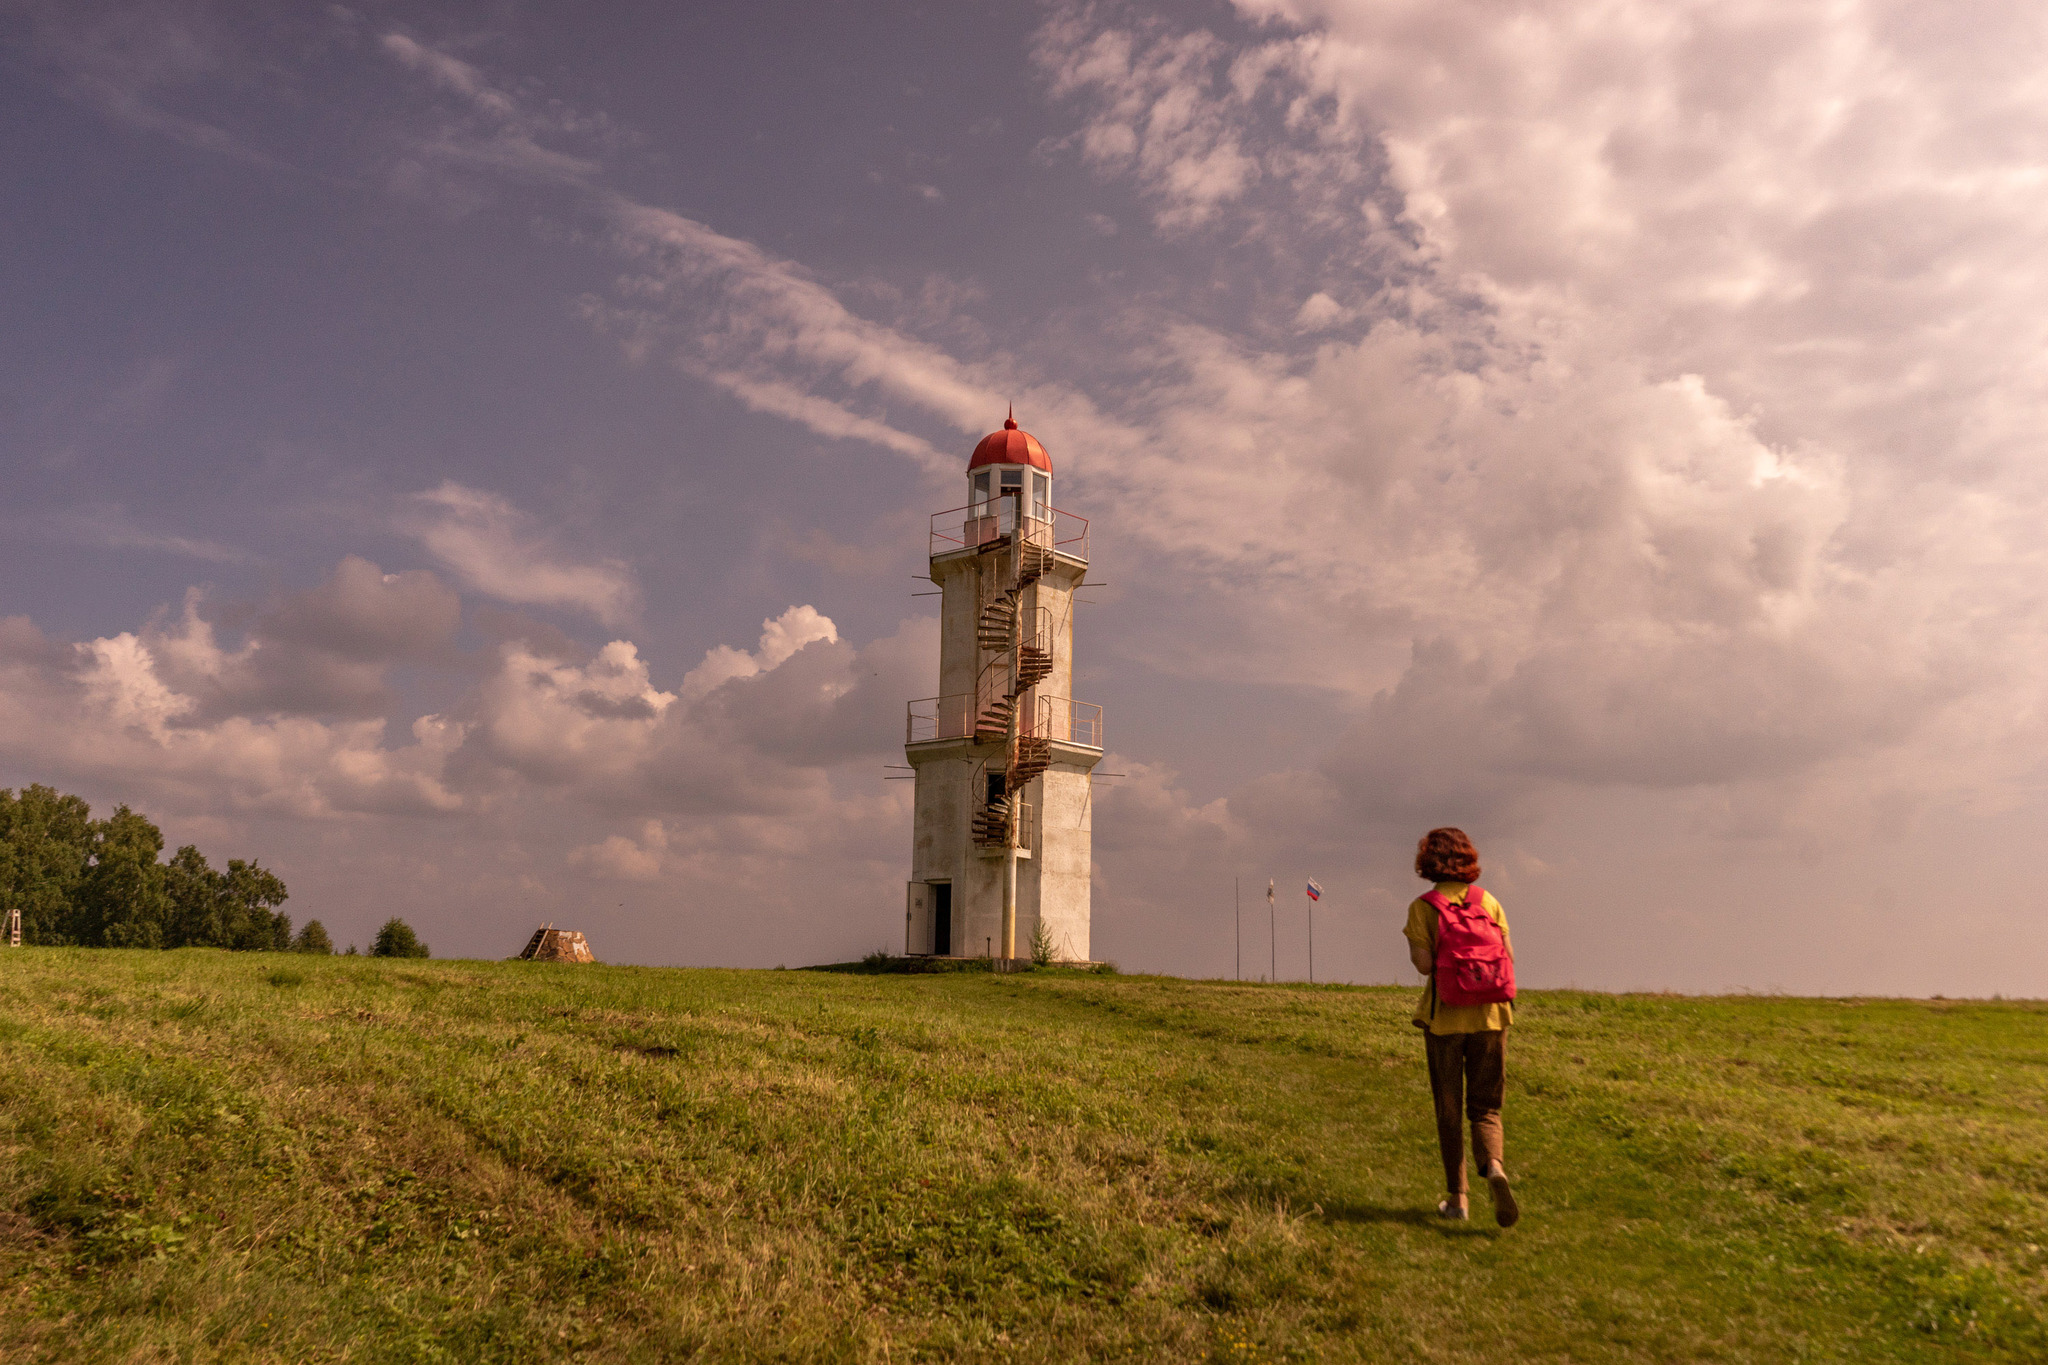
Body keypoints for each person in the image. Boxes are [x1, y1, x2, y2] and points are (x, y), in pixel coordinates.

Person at [1403, 826, 1519, 1227]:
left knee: (1449, 1108)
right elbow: (1507, 958)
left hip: (1445, 1019)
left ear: (1428, 861)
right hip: (1492, 1017)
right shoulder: (1489, 902)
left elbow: (1422, 965)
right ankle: (1496, 1166)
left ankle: (1458, 1199)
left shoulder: (1424, 907)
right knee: (1486, 1107)